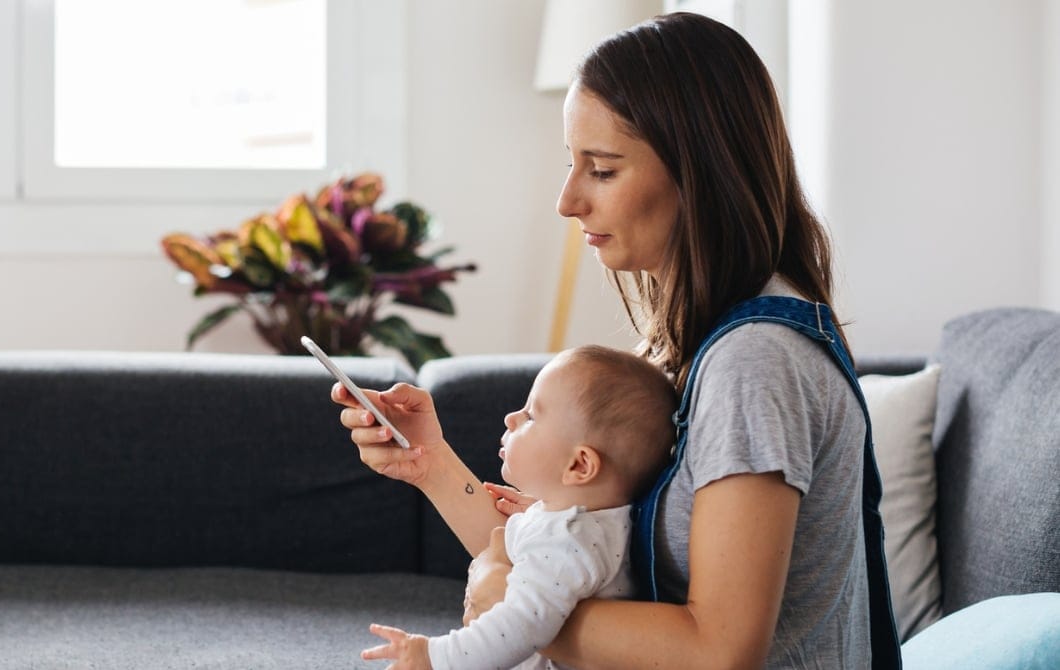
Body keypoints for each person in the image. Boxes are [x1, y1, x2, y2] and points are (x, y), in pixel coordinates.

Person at [331, 11, 900, 669]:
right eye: (573, 164)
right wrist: (431, 464)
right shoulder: (701, 346)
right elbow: (564, 562)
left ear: (701, 176)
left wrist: (513, 603)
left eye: (601, 170)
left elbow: (721, 650)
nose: (567, 200)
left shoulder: (754, 364)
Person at [361, 345, 676, 670]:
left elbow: (520, 626)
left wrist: (433, 656)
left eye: (531, 415)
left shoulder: (567, 541)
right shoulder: (591, 524)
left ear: (579, 466)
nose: (511, 418)